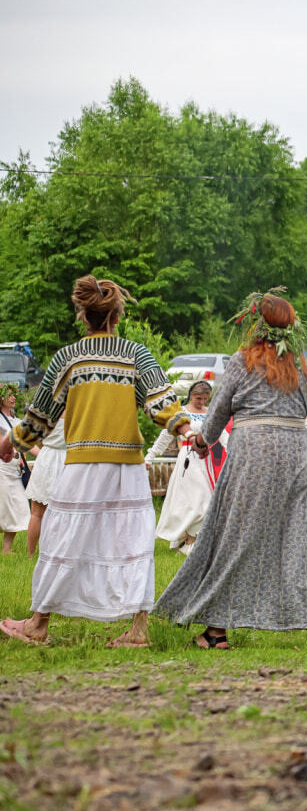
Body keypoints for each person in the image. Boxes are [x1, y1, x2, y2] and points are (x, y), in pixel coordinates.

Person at [154, 289, 307, 650]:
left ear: (257, 324)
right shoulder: (305, 367)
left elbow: (217, 413)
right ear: (291, 329)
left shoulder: (241, 362)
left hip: (251, 455)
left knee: (235, 537)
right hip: (293, 454)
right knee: (303, 538)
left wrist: (201, 441)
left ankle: (216, 632)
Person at [0, 275, 193, 647]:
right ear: (117, 316)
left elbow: (38, 418)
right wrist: (186, 431)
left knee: (62, 541)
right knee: (133, 545)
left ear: (82, 315)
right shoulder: (137, 355)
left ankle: (38, 625)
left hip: (83, 465)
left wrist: (11, 443)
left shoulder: (67, 358)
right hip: (128, 467)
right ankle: (138, 631)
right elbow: (162, 405)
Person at [149, 380, 215, 554]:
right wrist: (150, 457)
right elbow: (165, 437)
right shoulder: (182, 414)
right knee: (194, 500)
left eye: (204, 398)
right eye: (197, 397)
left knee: (206, 499)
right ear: (190, 395)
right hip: (188, 459)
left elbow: (220, 433)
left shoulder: (210, 413)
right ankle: (189, 539)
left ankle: (192, 539)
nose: (200, 401)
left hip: (206, 460)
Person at [24, 415, 66, 554]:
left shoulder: (45, 409)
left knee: (36, 513)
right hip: (67, 459)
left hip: (47, 457)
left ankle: (31, 554)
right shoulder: (78, 406)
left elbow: (27, 434)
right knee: (62, 512)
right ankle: (52, 552)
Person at [0, 388, 30, 553]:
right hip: (2, 467)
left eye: (13, 394)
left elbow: (23, 444)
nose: (12, 398)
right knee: (3, 507)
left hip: (15, 469)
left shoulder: (17, 420)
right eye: (8, 394)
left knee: (19, 506)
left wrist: (23, 459)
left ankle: (6, 549)